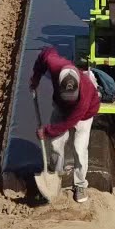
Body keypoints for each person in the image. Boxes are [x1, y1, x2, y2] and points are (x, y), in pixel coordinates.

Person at [29, 46, 101, 203]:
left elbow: (68, 123)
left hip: (84, 115)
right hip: (60, 108)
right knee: (56, 144)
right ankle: (55, 174)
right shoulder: (55, 64)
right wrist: (36, 78)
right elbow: (45, 53)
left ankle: (80, 185)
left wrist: (46, 131)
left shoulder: (84, 97)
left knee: (79, 148)